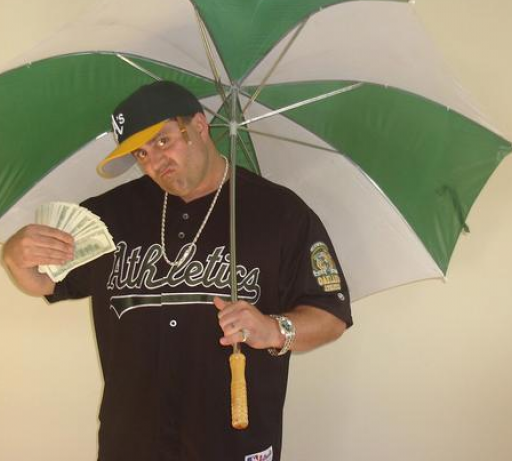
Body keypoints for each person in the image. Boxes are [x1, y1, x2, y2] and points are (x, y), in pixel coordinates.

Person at [2, 81, 352, 461]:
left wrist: (272, 329)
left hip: (233, 445)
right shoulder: (108, 216)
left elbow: (330, 316)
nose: (155, 162)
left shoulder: (280, 213)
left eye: (163, 141)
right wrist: (14, 257)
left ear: (199, 126)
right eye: (141, 153)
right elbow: (45, 282)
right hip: (131, 444)